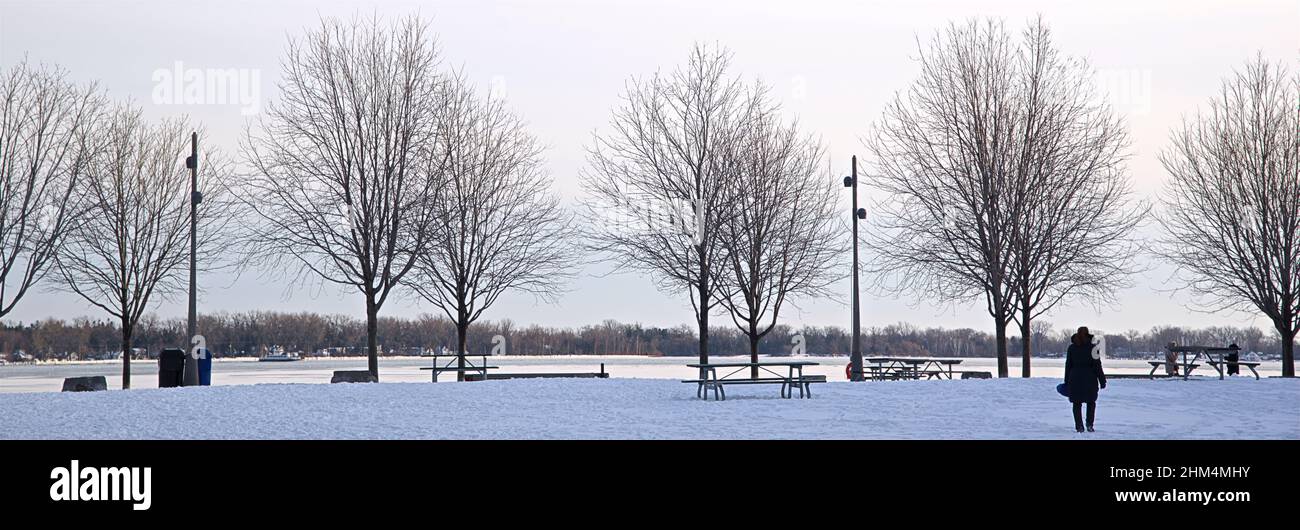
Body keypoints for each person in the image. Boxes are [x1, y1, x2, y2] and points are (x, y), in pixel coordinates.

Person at [1064, 326, 1107, 433]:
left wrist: (1066, 381)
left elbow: (1068, 365)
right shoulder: (1093, 348)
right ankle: (1089, 424)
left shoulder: (1072, 348)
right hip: (1090, 379)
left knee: (1076, 403)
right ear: (1088, 334)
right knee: (1091, 402)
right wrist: (1102, 380)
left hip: (1075, 378)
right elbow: (1097, 366)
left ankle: (1079, 426)